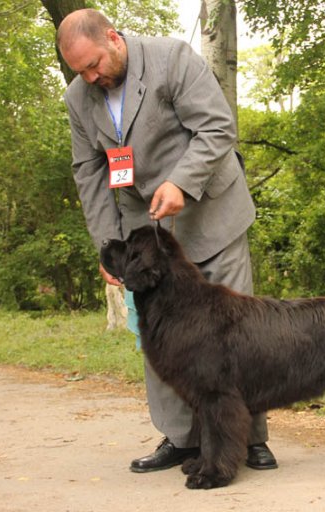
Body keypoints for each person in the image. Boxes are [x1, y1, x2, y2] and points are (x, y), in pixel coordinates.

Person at [56, 8, 277, 473]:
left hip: (211, 213)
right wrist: (108, 245)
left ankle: (250, 439)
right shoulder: (79, 96)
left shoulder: (171, 58)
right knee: (160, 335)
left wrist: (180, 181)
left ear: (114, 39)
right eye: (80, 71)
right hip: (148, 238)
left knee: (235, 338)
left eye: (94, 64)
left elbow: (217, 127)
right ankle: (181, 440)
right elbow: (89, 171)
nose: (91, 77)